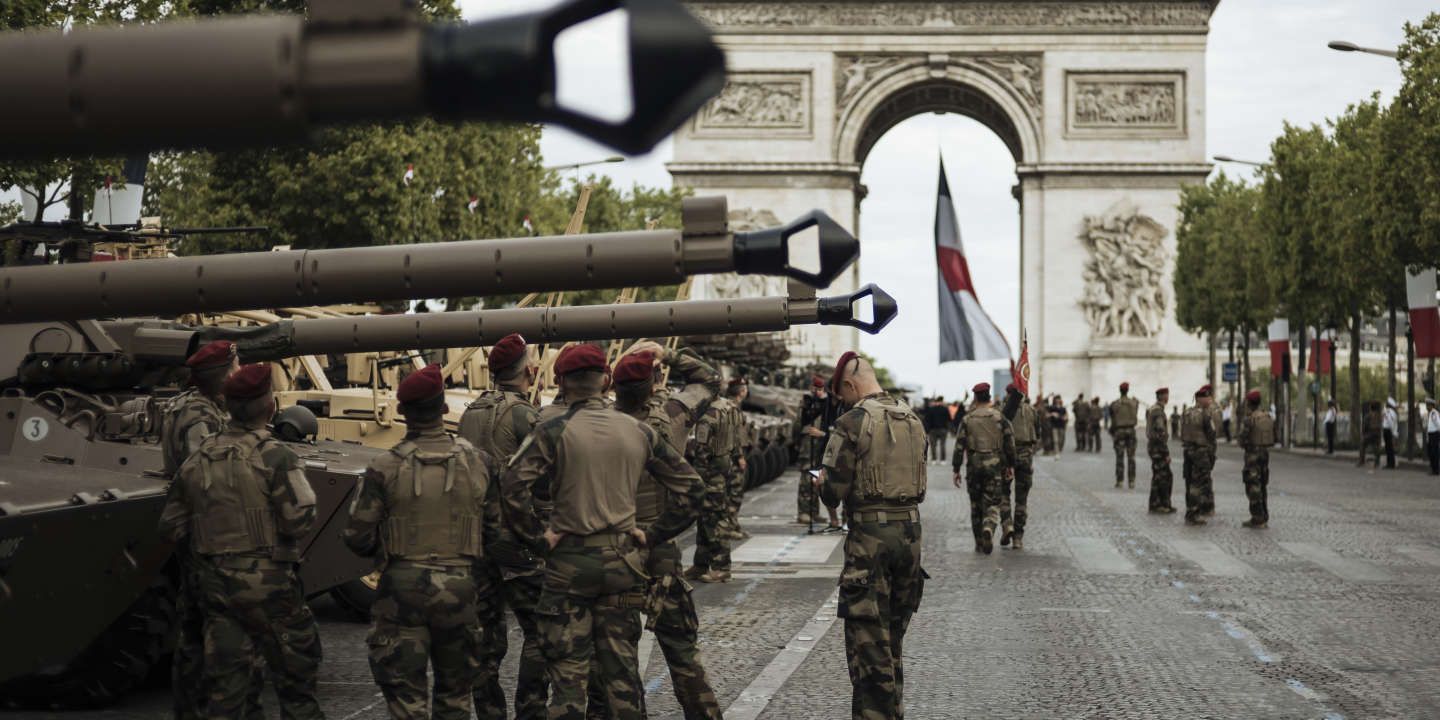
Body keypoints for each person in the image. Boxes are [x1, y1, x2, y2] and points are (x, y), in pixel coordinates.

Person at [502, 344, 703, 720]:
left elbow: (511, 486)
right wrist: (654, 534)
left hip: (568, 566)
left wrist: (537, 538)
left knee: (567, 679)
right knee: (622, 677)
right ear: (607, 381)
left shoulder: (552, 430)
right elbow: (692, 489)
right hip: (621, 564)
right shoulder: (638, 430)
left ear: (560, 381)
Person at [158, 363, 324, 720]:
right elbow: (300, 519)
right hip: (274, 592)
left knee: (228, 692)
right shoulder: (276, 455)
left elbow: (171, 525)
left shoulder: (198, 459)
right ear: (270, 406)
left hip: (217, 590)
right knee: (297, 688)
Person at [343, 364, 501, 719]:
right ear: (445, 408)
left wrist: (387, 553)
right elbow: (494, 530)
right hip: (460, 588)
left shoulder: (383, 467)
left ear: (401, 411)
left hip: (401, 590)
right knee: (456, 696)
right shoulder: (479, 462)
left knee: (405, 698)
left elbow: (357, 536)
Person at [609, 350, 722, 720]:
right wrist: (669, 354)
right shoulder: (672, 415)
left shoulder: (601, 425)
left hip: (614, 550)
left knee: (617, 659)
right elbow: (709, 379)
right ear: (654, 383)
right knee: (683, 653)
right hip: (660, 549)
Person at [818, 351, 926, 720]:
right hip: (910, 537)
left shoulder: (853, 422)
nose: (842, 402)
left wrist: (821, 481)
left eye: (841, 394)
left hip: (870, 541)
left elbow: (832, 491)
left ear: (849, 385)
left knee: (869, 653)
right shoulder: (912, 418)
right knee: (892, 643)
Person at [159, 339, 252, 720]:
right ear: (226, 373)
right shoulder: (201, 416)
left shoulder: (184, 404)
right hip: (207, 536)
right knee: (211, 630)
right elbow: (204, 478)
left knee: (194, 626)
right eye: (236, 365)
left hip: (195, 532)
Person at [458, 334, 546, 719]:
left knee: (484, 637)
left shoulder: (470, 412)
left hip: (478, 539)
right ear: (529, 370)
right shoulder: (524, 414)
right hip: (517, 539)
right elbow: (548, 471)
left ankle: (490, 713)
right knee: (541, 631)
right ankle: (530, 710)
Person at [954, 382, 1015, 554]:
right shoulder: (1000, 417)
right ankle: (989, 526)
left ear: (975, 397)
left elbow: (959, 445)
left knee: (975, 505)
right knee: (993, 501)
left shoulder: (968, 418)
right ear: (989, 396)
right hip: (994, 465)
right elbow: (1009, 443)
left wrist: (956, 469)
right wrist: (1010, 465)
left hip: (974, 465)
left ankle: (979, 542)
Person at [689, 384, 741, 584]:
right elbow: (737, 438)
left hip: (709, 474)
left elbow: (701, 452)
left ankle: (721, 567)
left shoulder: (707, 416)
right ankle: (700, 564)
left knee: (715, 520)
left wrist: (696, 479)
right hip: (723, 469)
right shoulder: (729, 408)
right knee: (705, 518)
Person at [999, 384, 1041, 550]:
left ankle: (1007, 524)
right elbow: (1038, 433)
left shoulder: (1002, 411)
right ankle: (1018, 538)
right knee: (1021, 500)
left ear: (1007, 394)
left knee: (1003, 493)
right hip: (1025, 456)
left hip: (1006, 457)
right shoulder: (1032, 411)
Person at [1181, 385, 1217, 526]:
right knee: (1198, 483)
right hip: (1200, 452)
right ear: (1200, 399)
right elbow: (1211, 435)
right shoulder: (1205, 414)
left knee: (1189, 482)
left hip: (1188, 451)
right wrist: (1211, 454)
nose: (1209, 400)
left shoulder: (1186, 412)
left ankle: (1190, 510)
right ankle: (1193, 514)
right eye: (1207, 397)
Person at [1238, 389, 1274, 529]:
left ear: (1249, 403)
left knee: (1253, 485)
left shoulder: (1249, 419)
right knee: (1262, 483)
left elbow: (1242, 439)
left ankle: (1257, 518)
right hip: (1264, 454)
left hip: (1252, 455)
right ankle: (1264, 515)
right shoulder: (1267, 416)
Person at [1147, 388, 1175, 514]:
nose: (1168, 397)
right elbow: (1160, 432)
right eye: (1167, 395)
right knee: (1162, 476)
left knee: (1160, 475)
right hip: (1158, 448)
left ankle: (1159, 503)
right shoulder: (1158, 411)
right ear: (1163, 396)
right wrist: (1166, 453)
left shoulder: (1153, 409)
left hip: (1154, 447)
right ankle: (1159, 504)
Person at [1109, 382, 1139, 488]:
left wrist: (1112, 431)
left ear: (1120, 390)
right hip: (1131, 431)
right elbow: (1136, 411)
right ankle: (1131, 481)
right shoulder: (1134, 402)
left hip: (1119, 431)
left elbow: (1112, 418)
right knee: (1131, 457)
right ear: (1128, 390)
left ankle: (1120, 480)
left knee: (1120, 457)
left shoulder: (1115, 404)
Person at [924, 396, 951, 464]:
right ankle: (943, 460)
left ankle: (934, 460)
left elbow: (927, 420)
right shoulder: (945, 409)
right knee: (942, 445)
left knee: (933, 445)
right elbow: (949, 419)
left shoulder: (931, 409)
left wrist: (927, 430)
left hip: (933, 430)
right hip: (943, 429)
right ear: (942, 401)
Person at [1359, 400, 1382, 470]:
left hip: (1369, 433)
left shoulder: (1368, 415)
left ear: (1370, 408)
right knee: (1376, 448)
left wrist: (1363, 433)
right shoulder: (1379, 416)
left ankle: (1362, 461)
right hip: (1377, 434)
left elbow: (1365, 425)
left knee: (1362, 445)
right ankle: (1377, 463)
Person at [1383, 398, 1399, 470]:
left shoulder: (1390, 412)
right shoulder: (1388, 411)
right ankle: (1389, 463)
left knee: (1390, 448)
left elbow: (1391, 422)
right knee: (1388, 448)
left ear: (1389, 404)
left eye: (1387, 403)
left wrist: (1393, 433)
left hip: (1389, 431)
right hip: (1387, 430)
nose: (1386, 404)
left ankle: (1391, 464)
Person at [1426, 398, 1440, 476]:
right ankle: (1433, 469)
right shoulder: (1431, 413)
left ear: (1431, 405)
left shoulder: (1434, 413)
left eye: (1428, 405)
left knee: (1435, 453)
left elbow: (1438, 424)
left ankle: (1436, 470)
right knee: (1431, 452)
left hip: (1434, 434)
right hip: (1431, 435)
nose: (1427, 406)